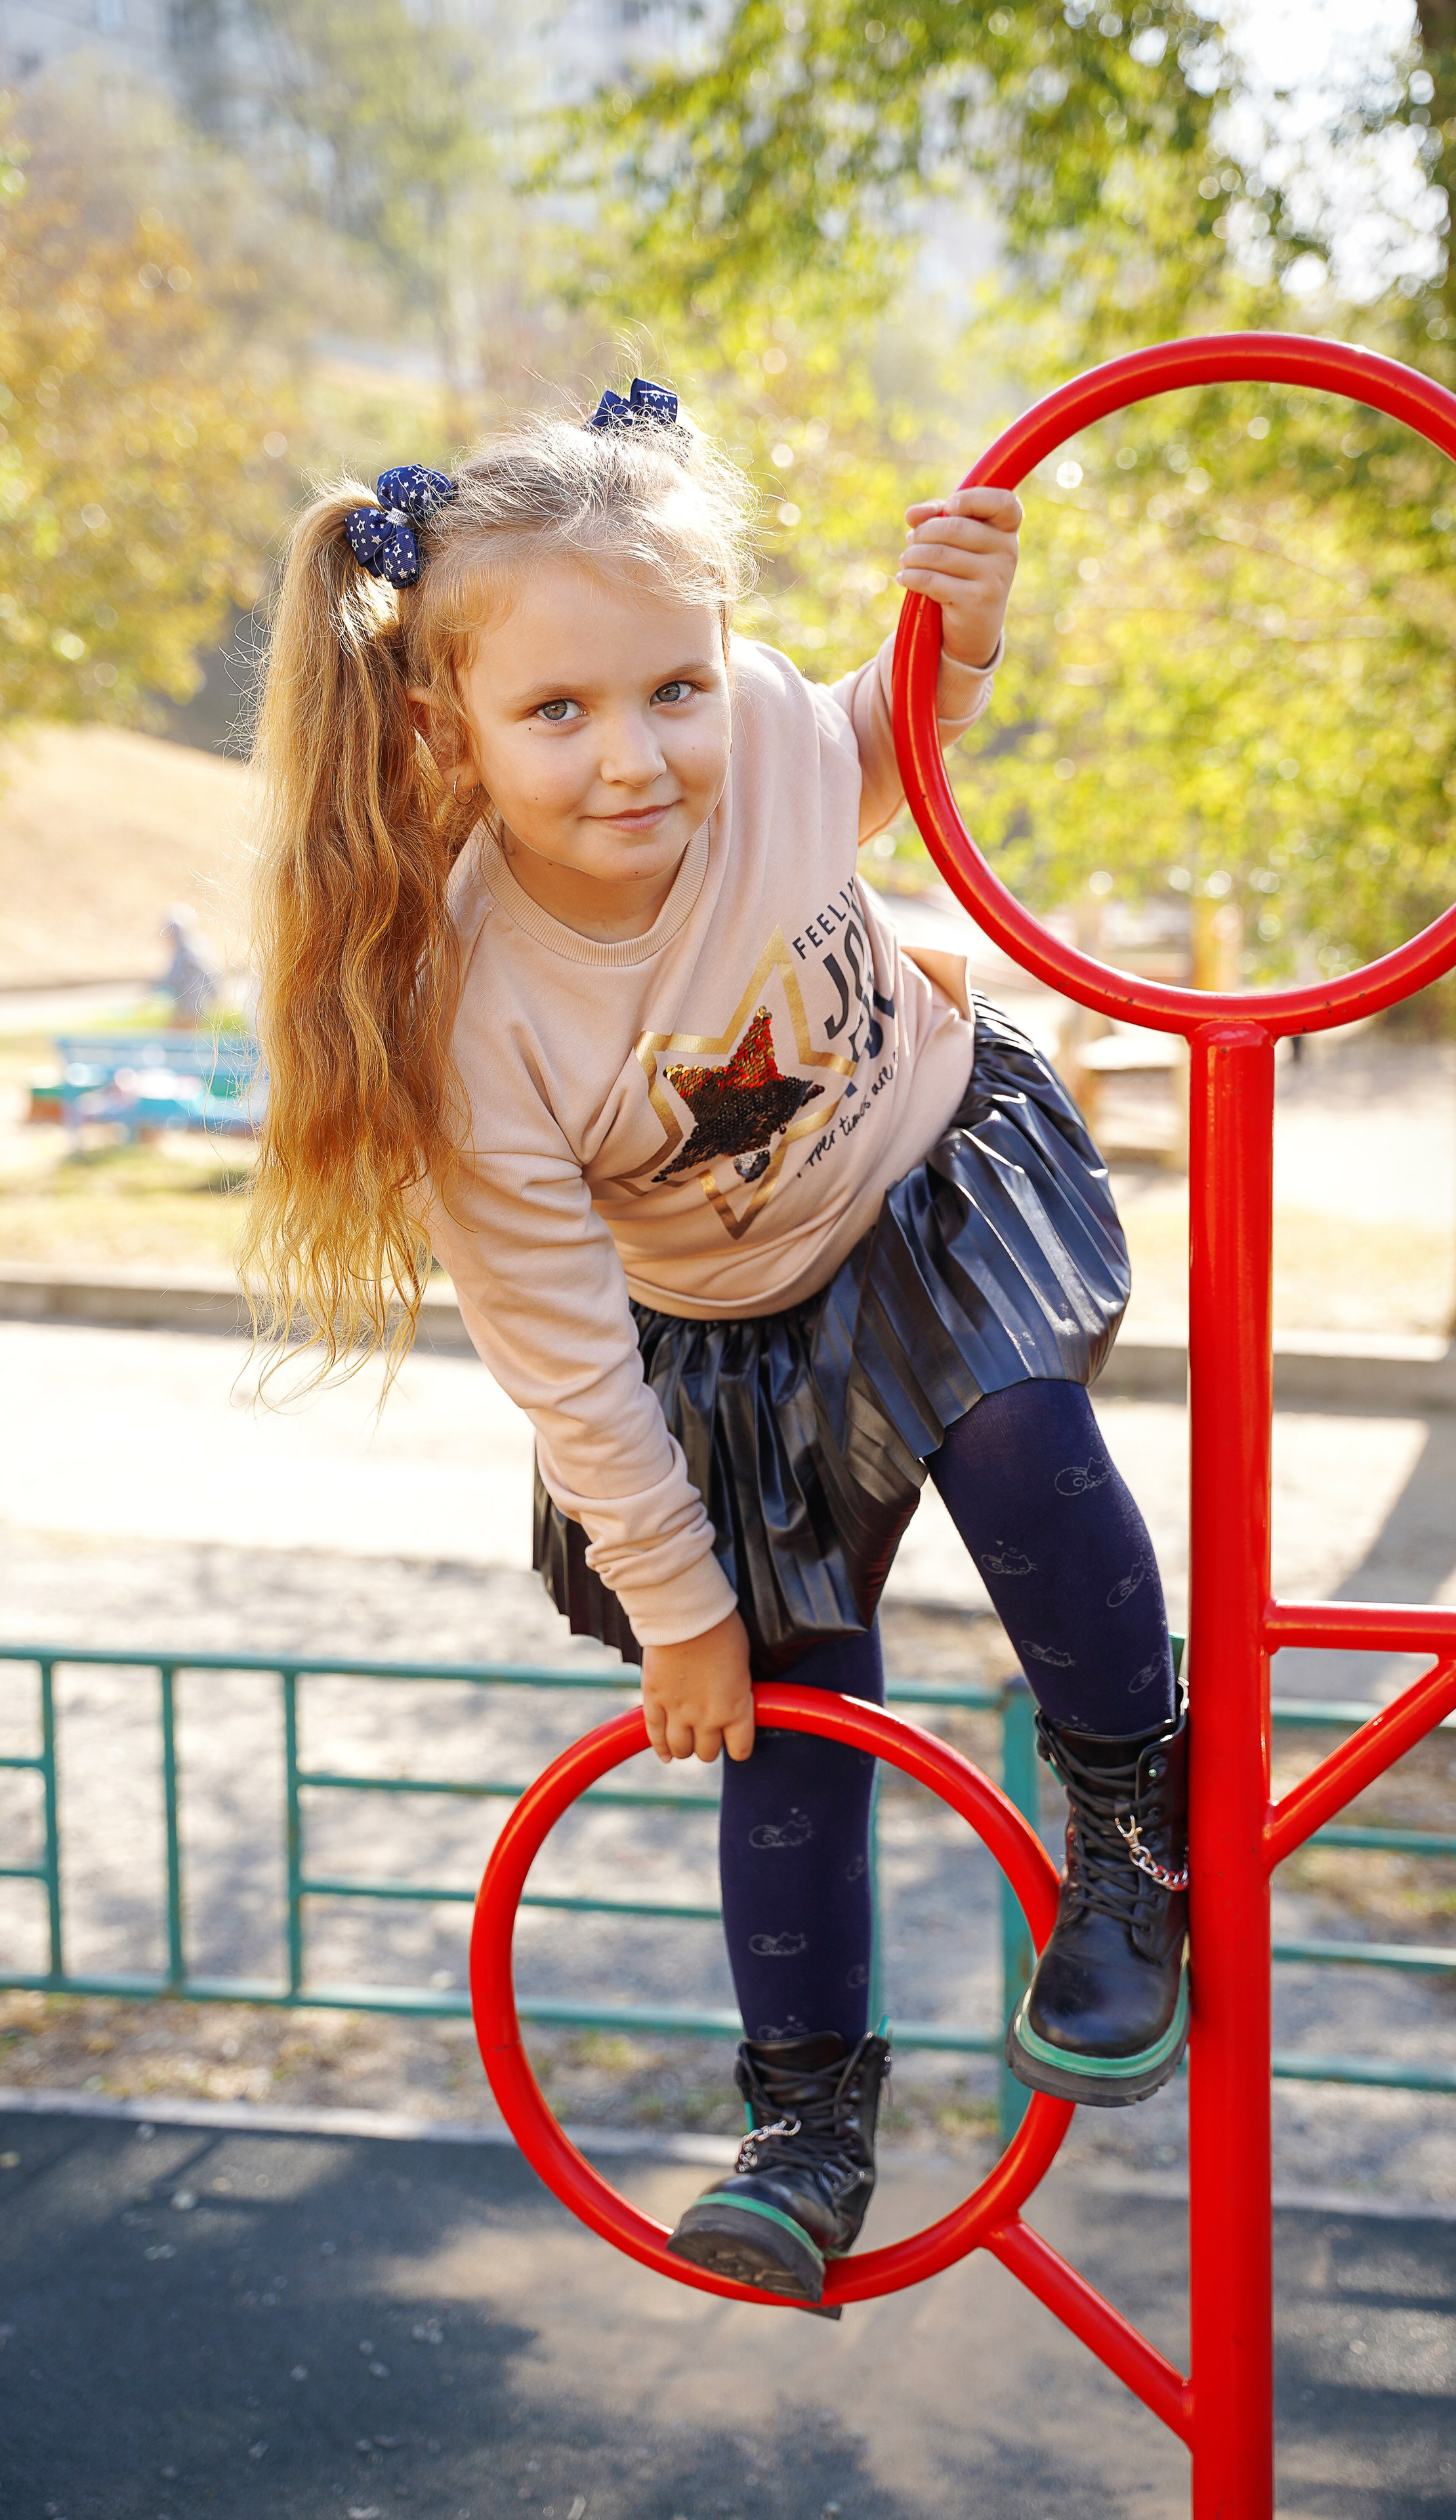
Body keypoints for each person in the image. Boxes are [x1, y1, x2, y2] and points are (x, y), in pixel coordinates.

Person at [242, 388, 1186, 2311]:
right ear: (446, 728)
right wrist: (678, 1603)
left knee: (1010, 1422)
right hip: (721, 1336)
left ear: (718, 654)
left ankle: (1136, 1823)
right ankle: (805, 2118)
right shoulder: (473, 1006)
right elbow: (563, 1353)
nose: (637, 755)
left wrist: (961, 635)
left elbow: (863, 754)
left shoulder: (750, 732)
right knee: (778, 1697)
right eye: (559, 712)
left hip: (930, 1171)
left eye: (674, 684)